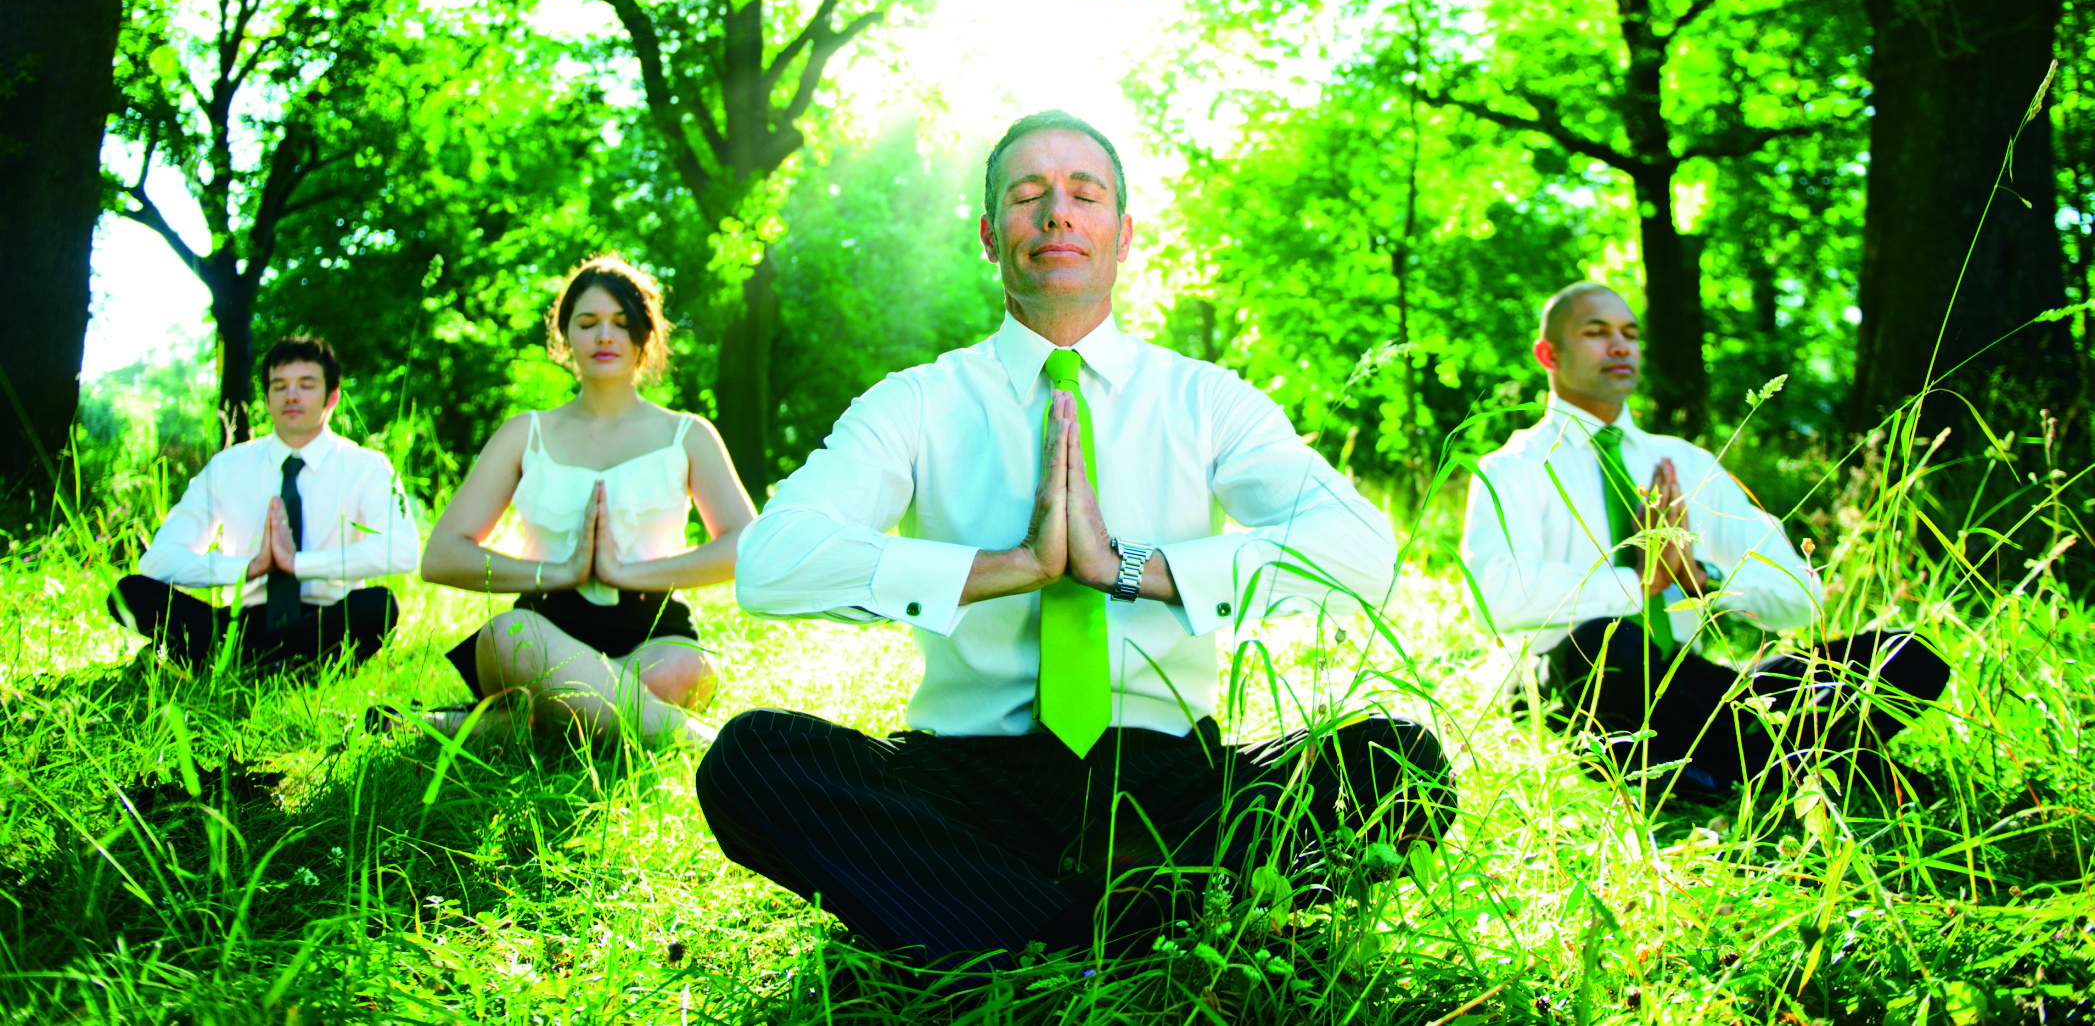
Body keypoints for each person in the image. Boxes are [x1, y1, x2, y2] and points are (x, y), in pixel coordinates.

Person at [697, 110, 1454, 974]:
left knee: (1399, 762)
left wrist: (1131, 569)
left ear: (1122, 236)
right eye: (1028, 194)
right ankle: (1130, 924)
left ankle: (1006, 924)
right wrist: (1006, 569)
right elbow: (770, 563)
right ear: (991, 236)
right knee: (749, 763)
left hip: (1172, 780)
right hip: (965, 783)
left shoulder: (1207, 400)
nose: (1056, 211)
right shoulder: (914, 403)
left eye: (1083, 194)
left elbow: (1361, 550)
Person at [1460, 279, 1949, 803]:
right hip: (1562, 689)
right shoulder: (1511, 469)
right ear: (1549, 354)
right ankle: (1798, 761)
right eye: (1596, 332)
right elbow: (1492, 598)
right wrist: (1639, 583)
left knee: (1907, 656)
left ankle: (1723, 769)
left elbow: (1802, 596)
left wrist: (1705, 578)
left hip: (1685, 689)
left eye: (1630, 333)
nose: (1620, 346)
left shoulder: (1686, 463)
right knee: (1608, 642)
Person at [420, 255, 753, 748]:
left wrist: (628, 573)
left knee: (684, 670)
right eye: (587, 322)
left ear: (645, 335)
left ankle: (506, 723)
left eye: (621, 322)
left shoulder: (688, 434)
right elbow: (440, 556)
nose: (604, 336)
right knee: (509, 633)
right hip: (540, 628)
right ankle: (698, 741)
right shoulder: (524, 434)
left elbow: (747, 545)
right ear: (564, 335)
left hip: (655, 634)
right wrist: (557, 573)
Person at [110, 336, 417, 674]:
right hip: (241, 622)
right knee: (129, 592)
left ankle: (231, 662)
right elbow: (157, 562)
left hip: (323, 623)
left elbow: (402, 551)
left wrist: (298, 564)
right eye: (279, 386)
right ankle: (276, 664)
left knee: (379, 606)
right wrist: (248, 568)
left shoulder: (367, 466)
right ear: (267, 400)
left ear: (332, 397)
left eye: (306, 385)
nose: (291, 396)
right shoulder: (228, 466)